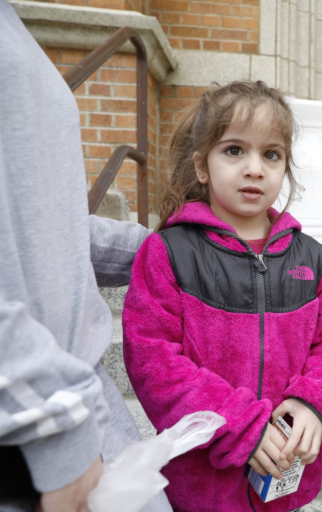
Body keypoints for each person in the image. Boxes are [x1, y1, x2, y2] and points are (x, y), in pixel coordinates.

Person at [122, 81, 322, 512]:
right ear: (201, 166)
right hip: (199, 486)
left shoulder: (314, 259)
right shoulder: (168, 252)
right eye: (234, 150)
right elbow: (154, 362)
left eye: (271, 154)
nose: (254, 168)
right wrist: (241, 427)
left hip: (284, 483)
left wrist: (313, 402)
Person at [0, 3, 171, 511]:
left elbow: (42, 220)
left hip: (81, 421)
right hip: (37, 446)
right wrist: (55, 429)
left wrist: (171, 248)